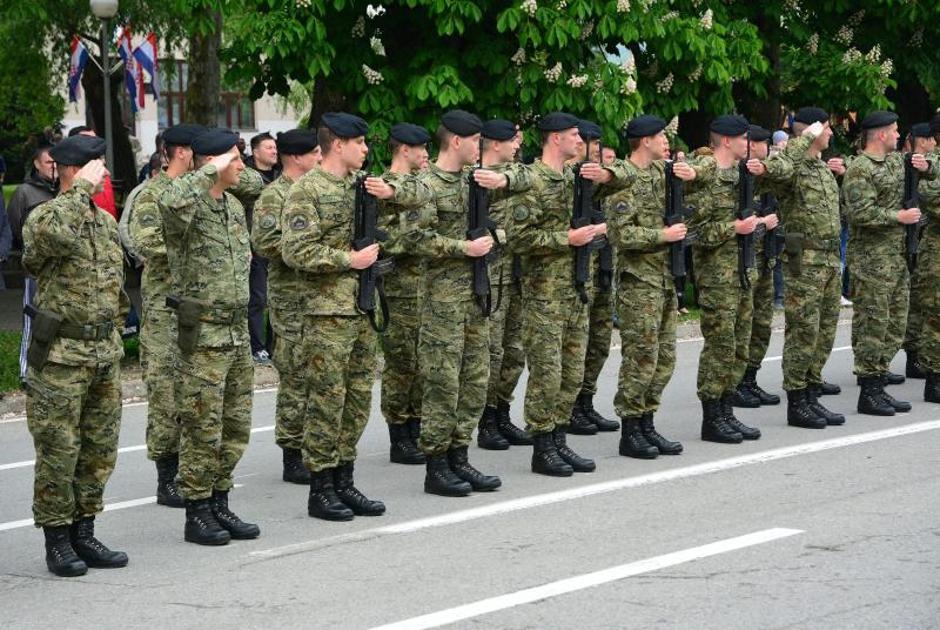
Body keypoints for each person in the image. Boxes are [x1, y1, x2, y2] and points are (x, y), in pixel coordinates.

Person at [281, 113, 429, 519]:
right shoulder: (306, 190)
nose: (366, 150)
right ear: (338, 145)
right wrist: (348, 259)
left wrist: (390, 190)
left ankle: (344, 480)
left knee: (357, 401)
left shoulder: (362, 187)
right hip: (327, 314)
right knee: (327, 402)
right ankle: (321, 488)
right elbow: (295, 250)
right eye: (360, 143)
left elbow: (420, 194)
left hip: (362, 309)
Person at [22, 134, 128, 577]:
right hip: (62, 356)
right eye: (93, 164)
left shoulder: (103, 223)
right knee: (59, 451)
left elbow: (114, 284)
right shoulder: (44, 215)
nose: (102, 171)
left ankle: (84, 530)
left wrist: (118, 328)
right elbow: (49, 243)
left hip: (103, 351)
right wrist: (80, 188)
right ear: (67, 168)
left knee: (98, 450)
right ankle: (57, 539)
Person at [507, 111, 630, 476]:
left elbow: (628, 178)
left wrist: (606, 175)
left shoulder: (574, 178)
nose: (581, 141)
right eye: (574, 135)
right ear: (555, 138)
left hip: (577, 289)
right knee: (547, 372)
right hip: (544, 294)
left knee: (572, 372)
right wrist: (567, 239)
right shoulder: (532, 180)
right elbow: (517, 237)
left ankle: (559, 438)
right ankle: (542, 444)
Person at [416, 110, 528, 496]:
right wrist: (462, 247)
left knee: (475, 380)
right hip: (443, 301)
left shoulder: (474, 181)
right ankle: (436, 465)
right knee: (443, 383)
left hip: (477, 296)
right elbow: (414, 239)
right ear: (457, 141)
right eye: (477, 142)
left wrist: (495, 232)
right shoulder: (426, 185)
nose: (481, 149)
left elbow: (524, 186)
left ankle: (459, 456)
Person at [159, 128, 260, 545]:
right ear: (212, 164)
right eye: (234, 159)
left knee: (235, 425)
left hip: (236, 331)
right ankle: (197, 510)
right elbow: (169, 199)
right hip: (203, 335)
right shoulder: (186, 205)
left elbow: (256, 184)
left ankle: (220, 501)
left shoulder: (233, 207)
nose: (242, 166)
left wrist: (224, 166)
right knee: (203, 425)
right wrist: (209, 169)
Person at [126, 124, 206, 508]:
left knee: (195, 393)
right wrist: (197, 248)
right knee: (165, 394)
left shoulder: (201, 193)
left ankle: (193, 469)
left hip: (198, 308)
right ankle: (166, 476)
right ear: (180, 153)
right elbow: (147, 244)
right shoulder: (150, 195)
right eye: (197, 152)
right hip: (164, 312)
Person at [751, 108, 847, 428]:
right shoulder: (791, 166)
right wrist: (801, 137)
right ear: (812, 131)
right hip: (805, 259)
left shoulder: (820, 168)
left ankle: (811, 393)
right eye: (826, 129)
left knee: (823, 332)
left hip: (830, 259)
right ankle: (796, 401)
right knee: (803, 332)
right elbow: (773, 170)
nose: (831, 134)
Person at [606, 114, 694, 459]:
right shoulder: (623, 181)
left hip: (664, 279)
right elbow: (620, 235)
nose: (666, 142)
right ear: (644, 140)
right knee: (640, 357)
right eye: (661, 137)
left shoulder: (663, 174)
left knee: (665, 358)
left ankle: (647, 421)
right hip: (639, 282)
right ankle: (631, 429)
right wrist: (663, 235)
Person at [843, 111, 936, 416]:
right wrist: (898, 217)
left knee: (894, 325)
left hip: (896, 258)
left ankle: (879, 384)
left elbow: (925, 168)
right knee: (874, 324)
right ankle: (869, 391)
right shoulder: (860, 169)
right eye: (895, 131)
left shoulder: (897, 162)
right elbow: (859, 213)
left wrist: (928, 164)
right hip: (871, 261)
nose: (900, 136)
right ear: (881, 134)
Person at [251, 129, 322, 484]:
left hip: (319, 298)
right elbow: (264, 243)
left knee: (318, 376)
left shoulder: (315, 191)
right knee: (295, 377)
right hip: (290, 298)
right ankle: (292, 453)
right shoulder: (273, 196)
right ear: (295, 157)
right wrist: (304, 248)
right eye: (314, 153)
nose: (320, 158)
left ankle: (315, 445)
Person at [686, 115, 763, 443]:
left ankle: (727, 409)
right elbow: (694, 231)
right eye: (745, 139)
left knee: (740, 344)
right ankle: (712, 416)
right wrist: (733, 228)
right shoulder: (706, 177)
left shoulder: (742, 175)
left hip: (742, 271)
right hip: (717, 275)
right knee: (720, 344)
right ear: (728, 141)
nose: (751, 145)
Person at [476, 118, 533, 450]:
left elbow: (529, 175)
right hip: (490, 276)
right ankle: (485, 420)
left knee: (514, 351)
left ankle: (501, 412)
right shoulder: (476, 178)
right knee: (491, 352)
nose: (517, 146)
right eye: (512, 140)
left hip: (515, 274)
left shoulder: (513, 176)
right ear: (495, 144)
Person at [379, 122, 434, 465]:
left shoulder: (420, 186)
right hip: (399, 288)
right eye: (420, 148)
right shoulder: (382, 188)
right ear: (404, 150)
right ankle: (399, 434)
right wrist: (420, 242)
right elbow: (384, 238)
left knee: (422, 362)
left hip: (425, 285)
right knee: (401, 363)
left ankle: (416, 425)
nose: (426, 154)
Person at [570, 120, 620, 435]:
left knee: (599, 342)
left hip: (603, 268)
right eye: (595, 147)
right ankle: (572, 406)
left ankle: (585, 402)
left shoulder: (600, 180)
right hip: (579, 272)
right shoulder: (569, 180)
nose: (599, 153)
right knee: (577, 345)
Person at [731, 125, 782, 408]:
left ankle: (750, 378)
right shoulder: (739, 178)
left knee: (762, 324)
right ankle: (737, 382)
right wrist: (762, 223)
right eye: (763, 145)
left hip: (767, 257)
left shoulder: (766, 176)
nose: (768, 150)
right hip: (747, 259)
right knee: (745, 323)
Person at [9, 144, 57, 384]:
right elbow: (16, 228)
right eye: (49, 162)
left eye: (56, 162)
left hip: (59, 271)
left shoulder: (62, 190)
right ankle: (25, 371)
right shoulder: (24, 193)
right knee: (32, 319)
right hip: (34, 270)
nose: (54, 167)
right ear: (37, 164)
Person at [902, 123, 936, 380]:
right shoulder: (926, 165)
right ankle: (919, 359)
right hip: (930, 248)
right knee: (927, 307)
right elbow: (927, 196)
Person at [245, 132, 281, 364]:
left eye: (275, 148)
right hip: (256, 247)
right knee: (257, 298)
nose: (274, 151)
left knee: (277, 297)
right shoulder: (245, 177)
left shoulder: (280, 175)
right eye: (269, 148)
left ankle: (274, 345)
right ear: (256, 151)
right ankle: (257, 346)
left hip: (278, 246)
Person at [68, 127, 117, 219]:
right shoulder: (69, 176)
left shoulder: (103, 172)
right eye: (88, 139)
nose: (94, 143)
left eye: (95, 139)